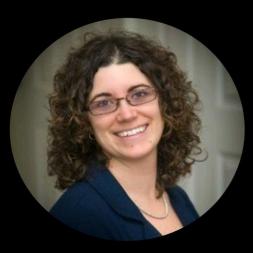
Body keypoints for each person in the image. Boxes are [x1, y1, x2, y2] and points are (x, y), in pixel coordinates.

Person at [47, 30, 204, 241]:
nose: (127, 114)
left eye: (139, 94)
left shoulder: (176, 197)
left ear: (165, 102)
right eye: (103, 103)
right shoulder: (78, 213)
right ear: (82, 121)